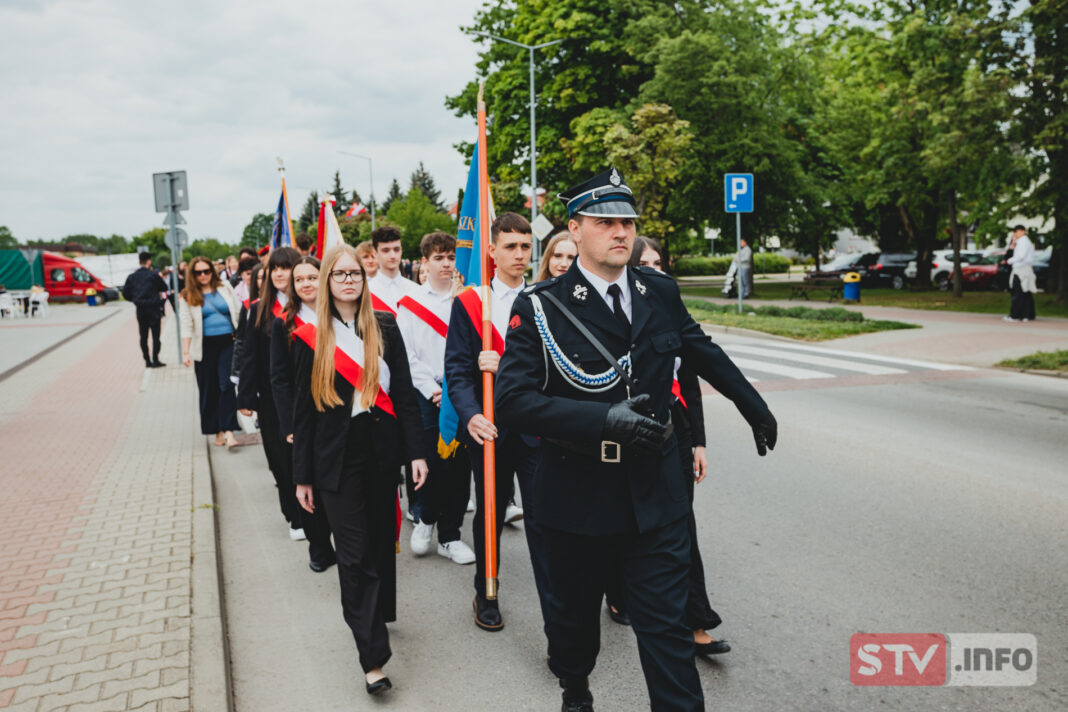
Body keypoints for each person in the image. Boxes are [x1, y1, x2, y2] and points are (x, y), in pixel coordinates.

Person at [495, 167, 777, 712]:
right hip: (577, 498)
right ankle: (575, 688)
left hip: (654, 493)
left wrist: (752, 405)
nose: (620, 231)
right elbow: (513, 402)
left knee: (667, 631)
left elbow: (698, 348)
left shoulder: (658, 291)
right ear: (575, 229)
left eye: (626, 221)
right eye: (605, 221)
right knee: (575, 628)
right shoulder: (541, 305)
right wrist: (601, 421)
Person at [291, 244, 426, 696]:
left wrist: (417, 454)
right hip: (335, 459)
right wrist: (302, 476)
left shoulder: (385, 326)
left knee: (377, 544)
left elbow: (404, 394)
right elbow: (303, 414)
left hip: (381, 452)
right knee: (351, 556)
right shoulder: (308, 334)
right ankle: (373, 660)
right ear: (327, 281)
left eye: (355, 274)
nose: (349, 280)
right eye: (339, 274)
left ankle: (377, 616)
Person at [443, 212, 551, 634]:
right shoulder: (471, 303)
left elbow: (555, 367)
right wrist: (470, 415)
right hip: (488, 429)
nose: (520, 255)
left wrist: (502, 362)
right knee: (488, 512)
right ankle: (486, 592)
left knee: (543, 516)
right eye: (510, 246)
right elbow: (456, 369)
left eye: (525, 246)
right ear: (491, 251)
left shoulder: (545, 299)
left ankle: (554, 599)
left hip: (537, 428)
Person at [631, 236, 730, 656]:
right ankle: (622, 594)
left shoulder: (672, 310)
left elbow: (689, 380)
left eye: (660, 263)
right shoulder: (620, 313)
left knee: (681, 525)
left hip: (678, 429)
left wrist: (700, 443)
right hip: (634, 432)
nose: (655, 271)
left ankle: (694, 620)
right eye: (646, 264)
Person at [396, 232, 476, 565]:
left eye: (450, 257)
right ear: (424, 262)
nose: (446, 264)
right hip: (427, 393)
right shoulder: (411, 303)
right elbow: (406, 355)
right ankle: (426, 517)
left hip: (462, 392)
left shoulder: (470, 299)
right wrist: (433, 389)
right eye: (439, 258)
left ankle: (450, 535)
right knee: (431, 462)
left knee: (461, 466)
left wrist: (457, 388)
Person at [268, 256, 337, 573]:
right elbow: (279, 379)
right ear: (293, 287)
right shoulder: (285, 322)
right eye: (300, 279)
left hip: (336, 412)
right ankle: (319, 546)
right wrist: (288, 423)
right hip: (301, 417)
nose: (307, 284)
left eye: (313, 277)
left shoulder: (338, 317)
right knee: (306, 481)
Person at [238, 247, 307, 540]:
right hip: (269, 398)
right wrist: (244, 397)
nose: (279, 273)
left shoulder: (307, 307)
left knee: (301, 457)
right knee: (279, 459)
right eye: (274, 269)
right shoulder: (257, 308)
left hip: (303, 395)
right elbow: (248, 355)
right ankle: (293, 516)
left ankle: (311, 512)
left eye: (285, 267)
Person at [178, 257, 242, 450]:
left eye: (207, 271)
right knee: (209, 389)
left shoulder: (224, 287)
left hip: (228, 343)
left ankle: (229, 430)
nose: (203, 275)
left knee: (227, 384)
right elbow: (186, 325)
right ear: (193, 275)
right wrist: (186, 352)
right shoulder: (187, 296)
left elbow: (238, 312)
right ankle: (217, 430)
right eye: (198, 272)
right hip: (204, 347)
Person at [123, 252, 169, 368]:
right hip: (153, 309)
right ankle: (155, 359)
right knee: (155, 336)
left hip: (140, 309)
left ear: (139, 262)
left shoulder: (132, 277)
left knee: (143, 336)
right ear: (149, 261)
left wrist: (134, 299)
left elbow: (125, 293)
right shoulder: (153, 275)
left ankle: (147, 360)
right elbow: (164, 287)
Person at [368, 227, 419, 311]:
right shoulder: (367, 291)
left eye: (396, 249)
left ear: (401, 250)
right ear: (375, 253)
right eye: (386, 250)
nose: (392, 255)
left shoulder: (415, 289)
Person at [1005, 225, 1036, 322]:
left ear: (1023, 231)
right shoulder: (1025, 242)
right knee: (1025, 292)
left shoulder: (1023, 242)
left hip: (1021, 269)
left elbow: (1021, 256)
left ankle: (1015, 315)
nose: (1015, 234)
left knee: (1018, 292)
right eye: (1015, 232)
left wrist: (1009, 261)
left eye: (1017, 232)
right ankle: (1027, 314)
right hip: (1024, 269)